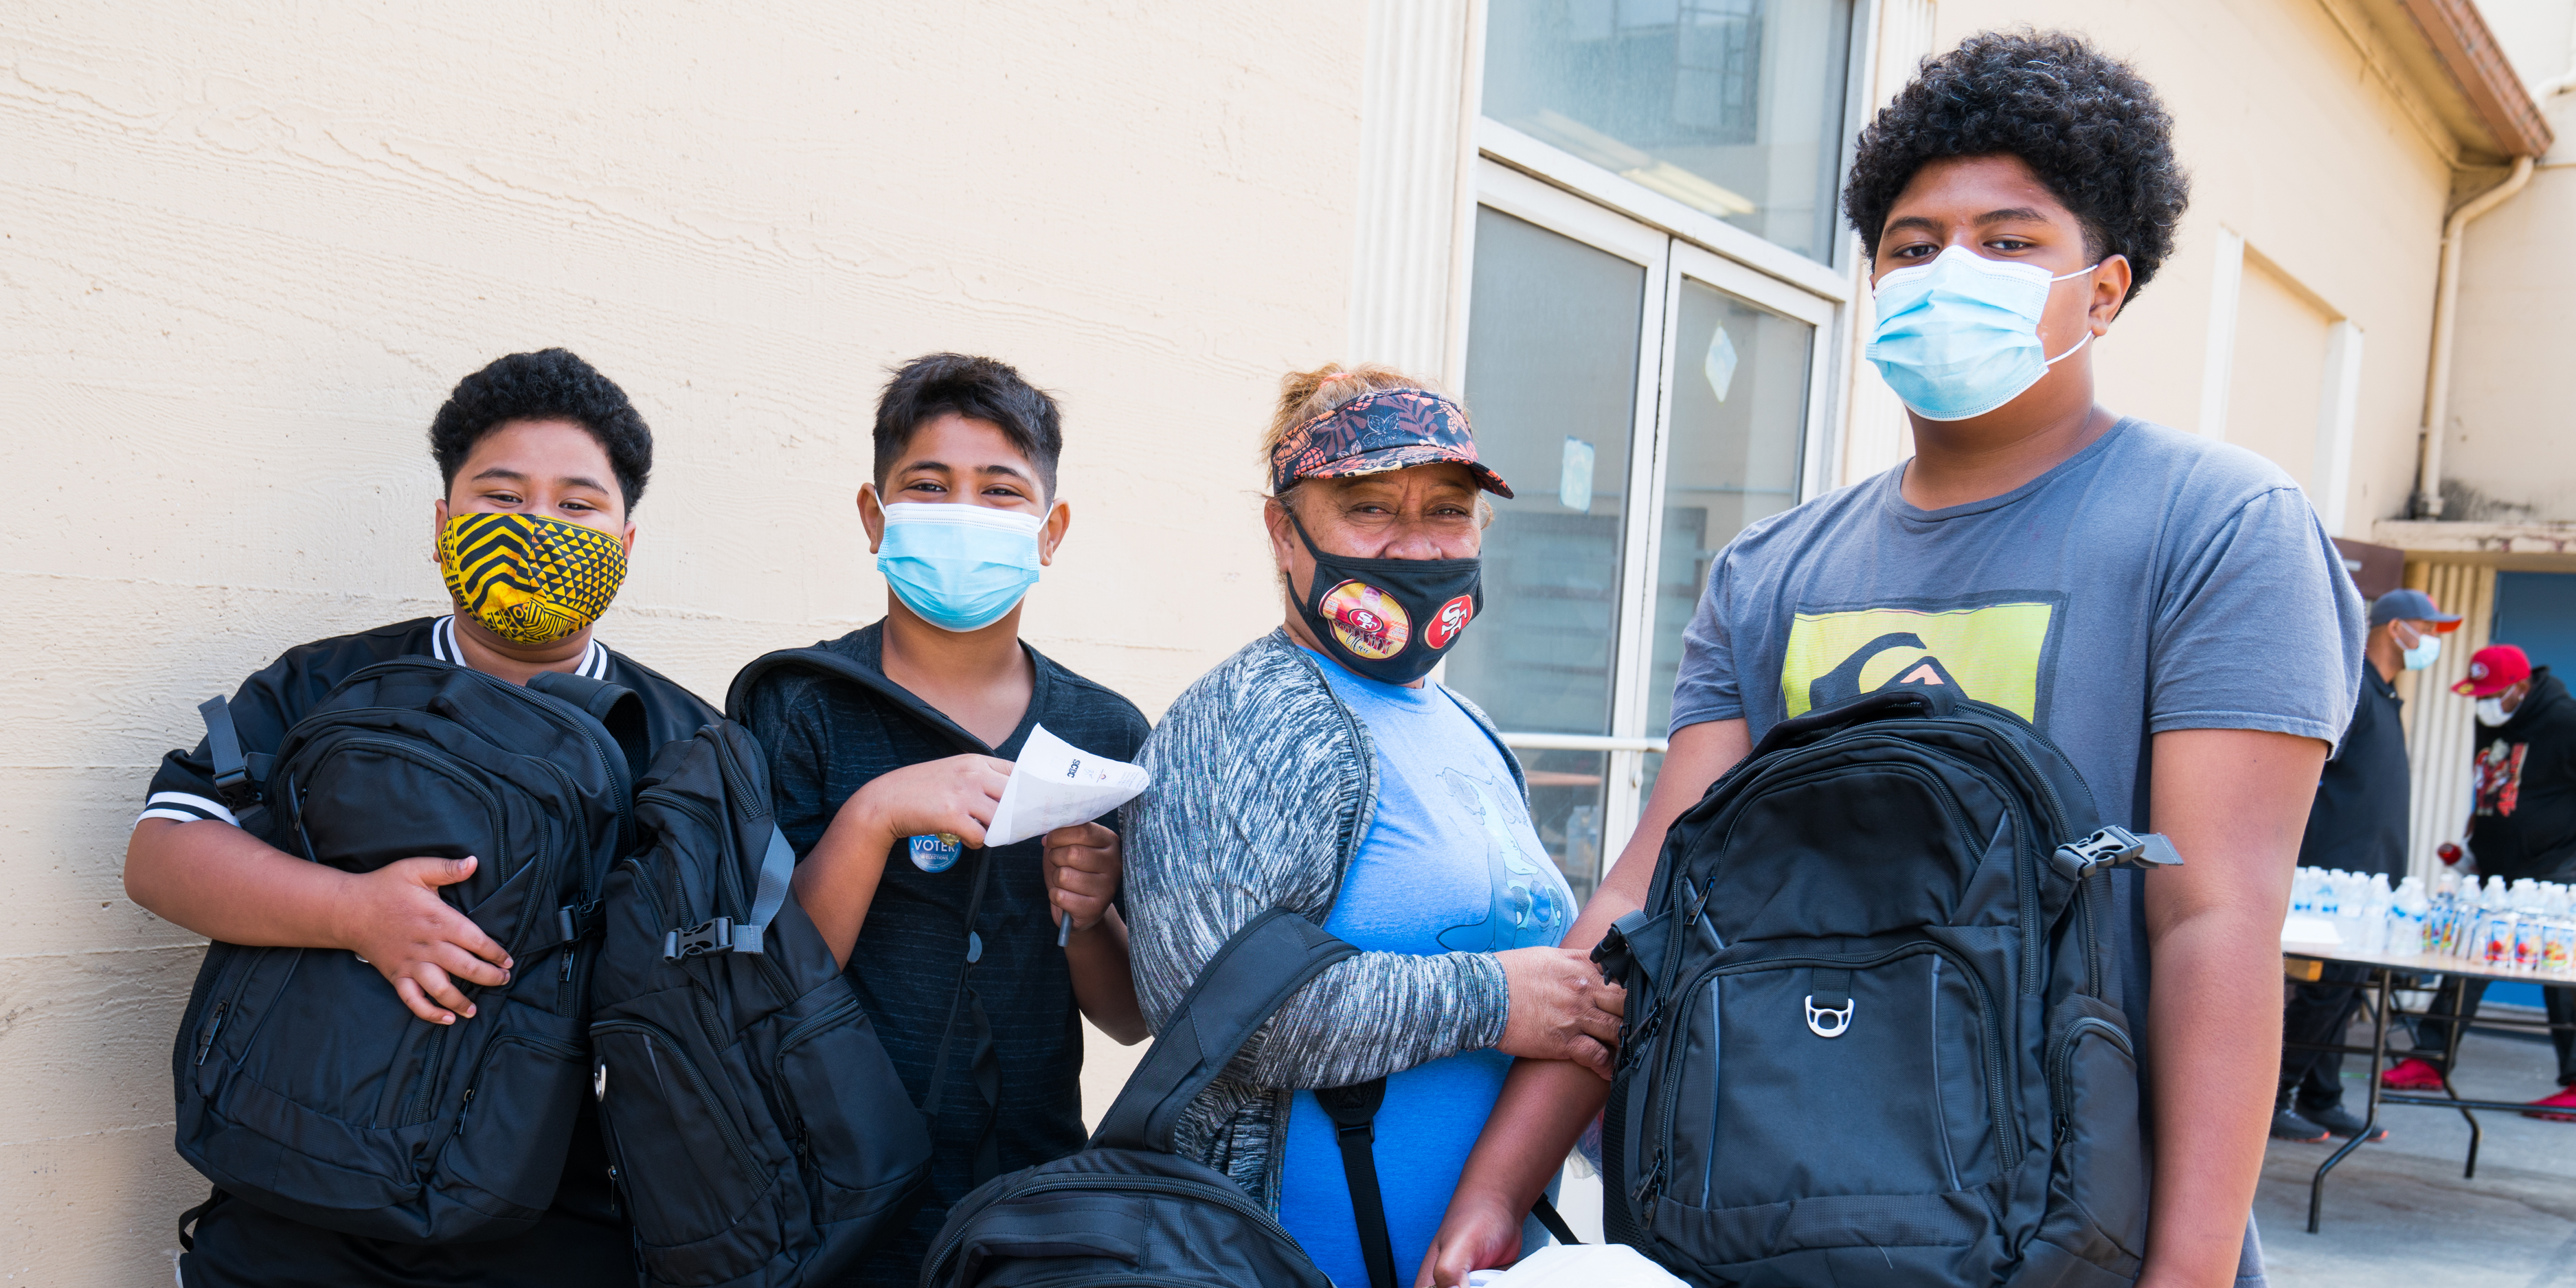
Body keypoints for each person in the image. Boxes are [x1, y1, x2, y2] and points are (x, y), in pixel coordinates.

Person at [1420, 32, 2363, 1288]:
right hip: (1772, 1221)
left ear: (2104, 290)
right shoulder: (1770, 571)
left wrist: (2185, 1274)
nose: (1949, 268)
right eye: (1914, 247)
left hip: (2075, 1239)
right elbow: (1646, 900)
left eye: (2008, 240)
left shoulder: (2217, 526)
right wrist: (1500, 1187)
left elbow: (2213, 920)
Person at [126, 350, 718, 1288]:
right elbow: (162, 853)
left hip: (564, 1232)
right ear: (444, 525)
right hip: (291, 1210)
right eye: (502, 496)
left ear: (625, 541)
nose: (539, 527)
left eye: (578, 505)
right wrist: (354, 913)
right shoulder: (322, 684)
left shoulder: (687, 740)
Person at [1120, 364, 1625, 1288]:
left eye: (1448, 510)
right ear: (1283, 531)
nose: (1417, 547)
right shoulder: (1246, 719)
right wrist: (1495, 1000)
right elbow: (1213, 1016)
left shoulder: (1469, 727)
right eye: (1369, 508)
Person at [734, 352, 1150, 1287]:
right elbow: (762, 985)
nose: (964, 511)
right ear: (874, 516)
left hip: (1032, 1203)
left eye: (1001, 490)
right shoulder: (800, 707)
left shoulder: (1106, 732)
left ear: (1050, 532)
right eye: (928, 485)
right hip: (831, 1195)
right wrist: (874, 815)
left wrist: (1088, 915)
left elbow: (1127, 1016)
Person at [2273, 589, 2459, 1144]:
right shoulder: (2353, 690)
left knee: (2350, 990)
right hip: (2337, 877)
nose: (2432, 641)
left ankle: (2321, 1095)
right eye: (2428, 628)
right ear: (2396, 627)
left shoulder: (2386, 694)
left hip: (2373, 880)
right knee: (2327, 988)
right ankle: (2274, 1096)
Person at [2382, 643, 2576, 1118]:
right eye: (2478, 695)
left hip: (2554, 873)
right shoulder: (2491, 720)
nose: (2483, 704)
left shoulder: (2565, 722)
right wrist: (2472, 842)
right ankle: (2430, 1059)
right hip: (2493, 867)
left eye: (2491, 695)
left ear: (2521, 687)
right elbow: (2490, 784)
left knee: (2562, 978)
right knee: (2465, 957)